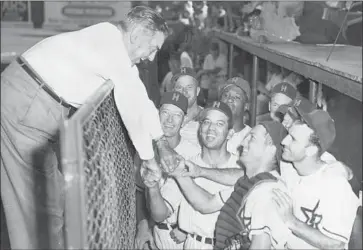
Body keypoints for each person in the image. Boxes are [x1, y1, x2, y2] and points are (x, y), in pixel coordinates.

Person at [1, 6, 176, 249]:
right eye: (153, 47)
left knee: (44, 201)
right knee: (42, 205)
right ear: (136, 35)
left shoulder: (115, 47)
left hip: (32, 105)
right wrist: (149, 159)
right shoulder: (111, 45)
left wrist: (162, 143)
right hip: (27, 104)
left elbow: (140, 100)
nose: (151, 57)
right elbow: (130, 108)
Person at [272, 106, 359, 249]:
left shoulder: (335, 184)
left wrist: (291, 221)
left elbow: (336, 244)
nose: (284, 142)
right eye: (288, 134)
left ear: (310, 150)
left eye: (293, 139)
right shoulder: (289, 165)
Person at [171, 101, 241, 249]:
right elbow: (163, 210)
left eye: (219, 124)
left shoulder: (240, 167)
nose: (211, 128)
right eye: (207, 122)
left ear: (230, 133)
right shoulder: (186, 165)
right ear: (199, 128)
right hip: (193, 243)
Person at [135, 91, 200, 249]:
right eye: (165, 112)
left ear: (184, 120)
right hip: (155, 232)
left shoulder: (193, 153)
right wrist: (143, 225)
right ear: (157, 115)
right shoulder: (144, 150)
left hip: (181, 237)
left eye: (177, 115)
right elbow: (139, 192)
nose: (170, 120)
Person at [219, 77, 252, 155]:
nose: (230, 99)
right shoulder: (210, 129)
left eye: (237, 97)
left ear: (246, 106)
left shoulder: (250, 137)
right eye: (226, 95)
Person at [172, 67, 203, 147]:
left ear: (198, 91)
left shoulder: (207, 118)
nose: (184, 92)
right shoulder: (166, 119)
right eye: (179, 87)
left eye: (189, 87)